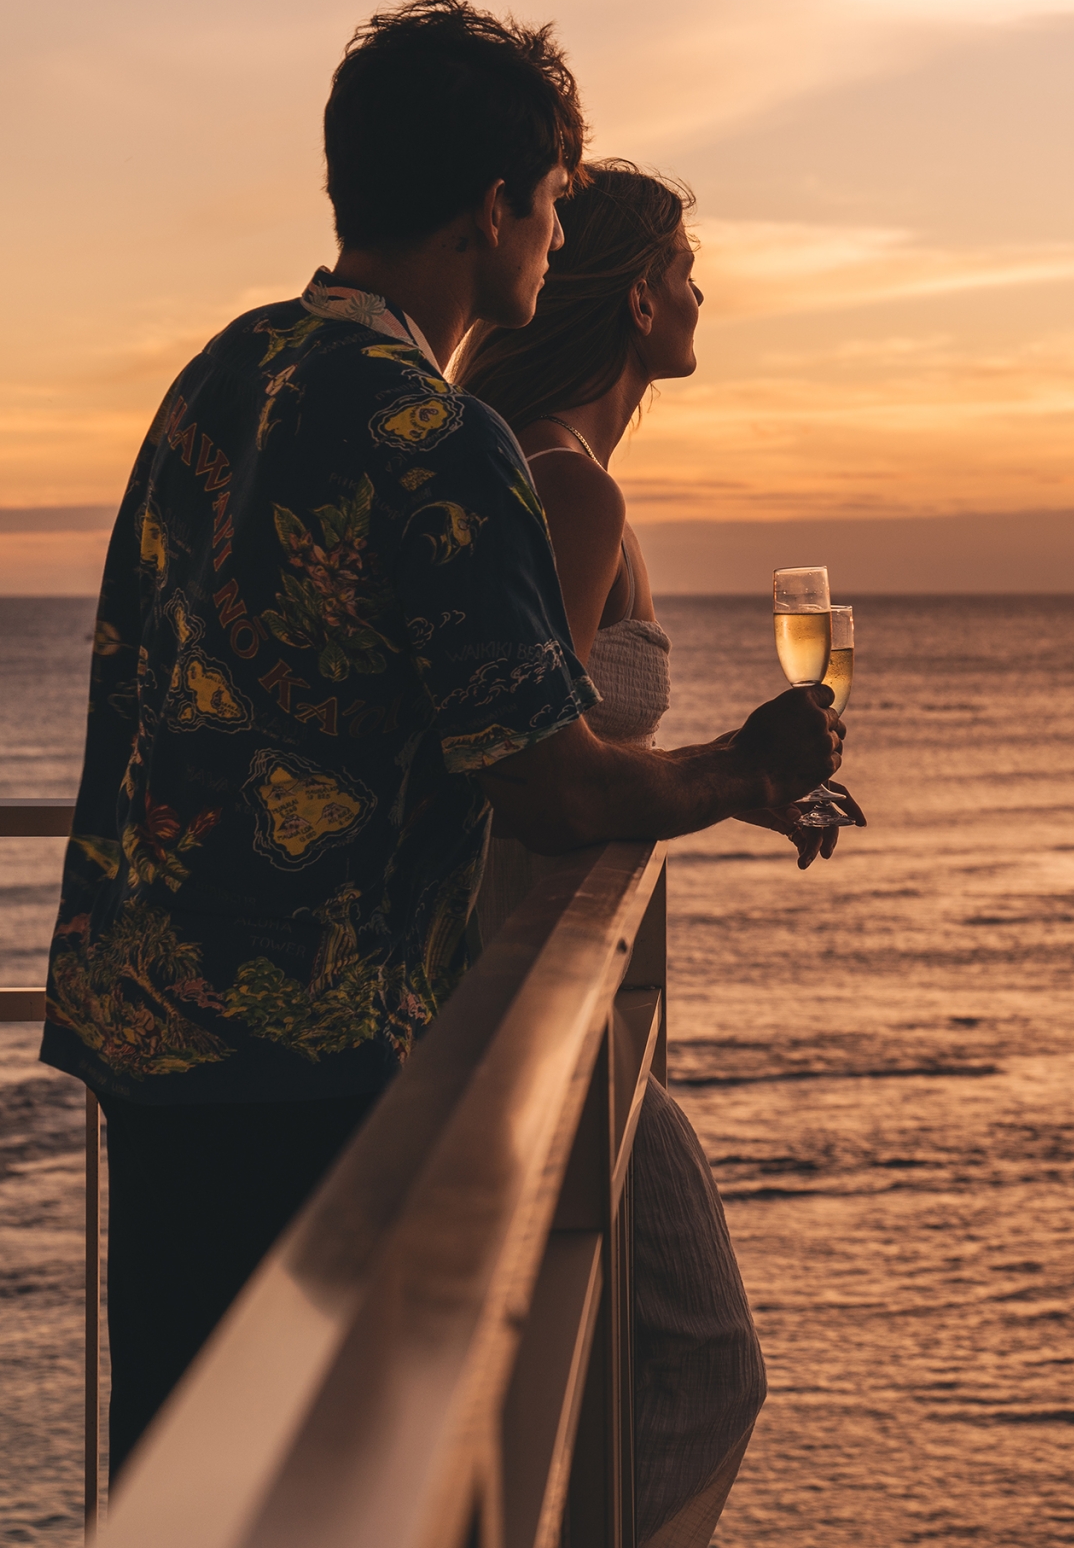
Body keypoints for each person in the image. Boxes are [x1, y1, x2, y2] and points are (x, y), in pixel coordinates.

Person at [37, 0, 843, 1482]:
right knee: (334, 1474)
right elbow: (542, 777)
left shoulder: (225, 370)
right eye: (545, 201)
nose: (552, 233)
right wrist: (739, 768)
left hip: (140, 1010)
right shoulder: (432, 434)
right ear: (491, 212)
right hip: (307, 1046)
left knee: (181, 1465)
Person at [458, 162, 854, 1545]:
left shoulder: (546, 469)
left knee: (592, 1363)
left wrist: (719, 791)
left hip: (524, 997)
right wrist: (738, 766)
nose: (702, 290)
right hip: (531, 1004)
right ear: (636, 301)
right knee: (703, 1364)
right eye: (685, 266)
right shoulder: (570, 493)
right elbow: (540, 782)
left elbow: (551, 742)